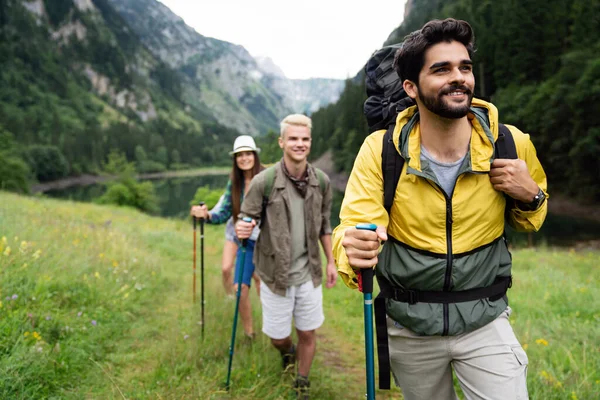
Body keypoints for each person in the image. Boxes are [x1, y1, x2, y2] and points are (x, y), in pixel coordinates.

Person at [333, 18, 548, 400]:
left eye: (464, 67)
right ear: (411, 87)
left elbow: (530, 219)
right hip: (409, 326)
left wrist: (530, 195)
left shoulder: (510, 142)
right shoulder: (382, 151)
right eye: (442, 69)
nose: (459, 78)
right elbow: (353, 226)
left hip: (485, 319)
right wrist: (351, 249)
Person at [235, 114, 337, 399]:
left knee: (308, 332)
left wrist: (331, 261)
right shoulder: (263, 182)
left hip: (309, 273)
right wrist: (244, 226)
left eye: (305, 139)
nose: (299, 144)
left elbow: (325, 225)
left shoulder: (322, 181)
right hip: (273, 275)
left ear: (310, 142)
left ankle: (301, 382)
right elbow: (247, 217)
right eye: (293, 138)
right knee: (278, 337)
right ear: (282, 142)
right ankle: (286, 352)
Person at [191, 135, 263, 339]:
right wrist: (206, 215)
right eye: (240, 155)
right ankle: (250, 332)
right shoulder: (235, 182)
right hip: (240, 238)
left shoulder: (266, 177)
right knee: (233, 278)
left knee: (261, 284)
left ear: (255, 155)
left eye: (248, 153)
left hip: (263, 240)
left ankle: (273, 329)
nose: (244, 158)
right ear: (235, 159)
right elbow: (223, 211)